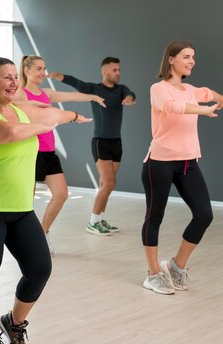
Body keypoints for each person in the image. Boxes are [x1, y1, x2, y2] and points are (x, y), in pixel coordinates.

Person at [0, 57, 91, 344]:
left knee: (39, 268)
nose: (12, 82)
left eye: (14, 77)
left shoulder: (20, 110)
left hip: (20, 208)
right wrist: (45, 123)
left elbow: (52, 113)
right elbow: (8, 134)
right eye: (5, 78)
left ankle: (14, 322)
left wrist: (71, 116)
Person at [141, 41, 222, 295]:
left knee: (204, 215)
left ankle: (176, 266)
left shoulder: (192, 89)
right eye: (186, 56)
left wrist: (216, 100)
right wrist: (202, 110)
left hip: (189, 161)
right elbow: (172, 107)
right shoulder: (159, 89)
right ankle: (153, 273)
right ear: (171, 60)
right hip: (160, 162)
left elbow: (211, 94)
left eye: (193, 57)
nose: (192, 61)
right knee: (155, 217)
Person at [15, 55, 105, 252]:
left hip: (48, 152)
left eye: (44, 68)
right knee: (25, 200)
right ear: (27, 71)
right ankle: (24, 240)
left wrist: (93, 97)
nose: (42, 72)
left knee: (61, 194)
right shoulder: (20, 95)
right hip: (30, 151)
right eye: (38, 68)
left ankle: (42, 233)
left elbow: (70, 96)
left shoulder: (47, 93)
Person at [49, 57, 136, 235]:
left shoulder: (121, 90)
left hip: (116, 142)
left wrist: (128, 99)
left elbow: (130, 94)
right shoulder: (94, 89)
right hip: (100, 142)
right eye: (114, 70)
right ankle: (93, 221)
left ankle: (101, 219)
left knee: (106, 184)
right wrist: (60, 76)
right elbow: (77, 83)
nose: (118, 73)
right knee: (110, 183)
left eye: (119, 70)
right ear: (104, 72)